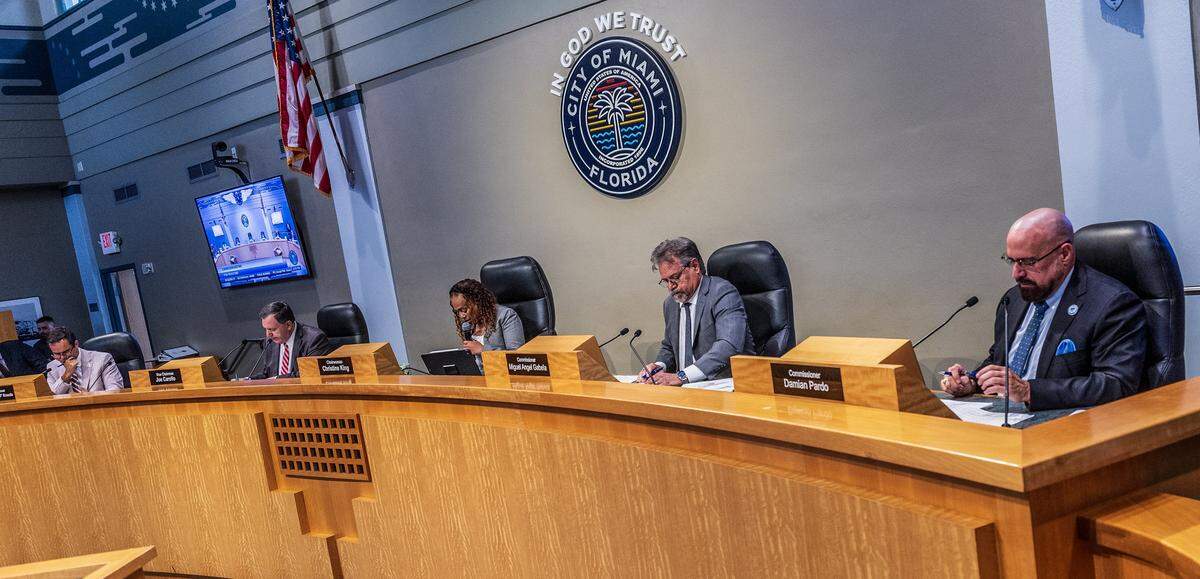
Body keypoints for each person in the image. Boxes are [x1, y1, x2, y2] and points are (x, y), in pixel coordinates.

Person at [941, 208, 1147, 410]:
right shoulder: (1014, 299)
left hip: (1066, 423)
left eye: (1028, 262)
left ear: (1064, 254)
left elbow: (1116, 383)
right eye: (1012, 261)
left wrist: (1029, 391)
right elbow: (999, 359)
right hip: (1004, 417)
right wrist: (972, 381)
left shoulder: (1111, 303)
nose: (1016, 274)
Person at [637, 237, 755, 385]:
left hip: (725, 386)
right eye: (665, 281)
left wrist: (681, 376)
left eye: (675, 278)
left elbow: (728, 345)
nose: (670, 287)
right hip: (687, 388)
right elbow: (669, 347)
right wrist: (659, 366)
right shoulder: (670, 304)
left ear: (695, 266)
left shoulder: (722, 292)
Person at [449, 279, 525, 368]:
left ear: (477, 302)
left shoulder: (506, 316)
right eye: (457, 311)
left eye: (464, 309)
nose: (461, 315)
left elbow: (517, 360)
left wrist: (483, 350)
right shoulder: (468, 326)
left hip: (503, 374)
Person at [250, 302, 334, 379]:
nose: (268, 334)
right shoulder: (271, 342)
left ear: (288, 325)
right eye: (266, 329)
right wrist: (248, 380)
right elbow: (267, 374)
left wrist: (276, 380)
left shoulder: (314, 339)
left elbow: (310, 373)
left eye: (272, 329)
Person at [44, 326, 124, 393]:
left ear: (76, 344)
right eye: (57, 354)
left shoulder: (103, 360)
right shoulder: (52, 367)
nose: (62, 357)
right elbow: (51, 397)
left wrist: (91, 397)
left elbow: (116, 391)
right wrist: (66, 376)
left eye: (65, 352)